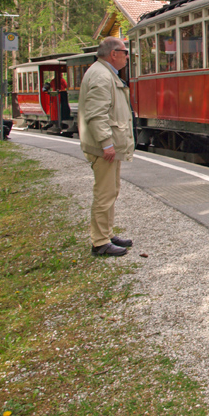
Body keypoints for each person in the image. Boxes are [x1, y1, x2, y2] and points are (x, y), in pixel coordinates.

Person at [78, 37, 135, 257]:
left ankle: (107, 233)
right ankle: (100, 242)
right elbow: (96, 114)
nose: (127, 56)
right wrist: (106, 143)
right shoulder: (102, 76)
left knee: (111, 191)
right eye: (125, 51)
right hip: (104, 148)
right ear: (114, 53)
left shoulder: (104, 73)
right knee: (104, 194)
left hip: (108, 147)